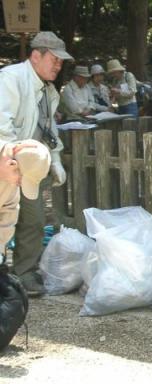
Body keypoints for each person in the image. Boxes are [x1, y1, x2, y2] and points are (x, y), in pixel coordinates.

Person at [0, 31, 71, 295]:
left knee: (34, 220)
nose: (58, 65)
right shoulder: (11, 79)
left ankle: (23, 274)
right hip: (6, 164)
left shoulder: (48, 91)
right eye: (54, 59)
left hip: (31, 167)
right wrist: (10, 159)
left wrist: (55, 159)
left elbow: (49, 130)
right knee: (3, 219)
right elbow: (1, 127)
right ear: (35, 55)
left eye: (61, 61)